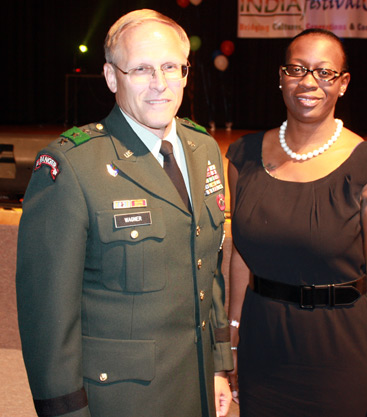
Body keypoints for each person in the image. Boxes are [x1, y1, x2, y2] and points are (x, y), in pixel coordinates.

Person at [16, 9, 233, 417]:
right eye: (141, 70)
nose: (160, 84)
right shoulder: (73, 167)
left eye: (171, 67)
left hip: (197, 383)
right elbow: (47, 316)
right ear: (112, 77)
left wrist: (219, 366)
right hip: (121, 398)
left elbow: (208, 264)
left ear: (186, 73)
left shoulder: (203, 149)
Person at [226, 28, 367, 417]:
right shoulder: (243, 157)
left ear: (343, 84)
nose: (309, 82)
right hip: (263, 343)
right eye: (297, 69)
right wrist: (232, 342)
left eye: (325, 73)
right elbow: (241, 256)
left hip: (337, 349)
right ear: (280, 77)